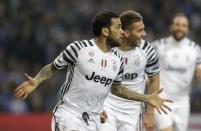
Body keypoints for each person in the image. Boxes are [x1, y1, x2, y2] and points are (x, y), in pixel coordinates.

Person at [14, 11, 172, 131]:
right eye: (118, 28)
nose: (122, 32)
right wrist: (37, 80)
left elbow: (117, 89)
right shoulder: (78, 49)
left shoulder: (117, 59)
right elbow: (53, 67)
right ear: (105, 31)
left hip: (94, 119)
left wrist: (146, 98)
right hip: (69, 114)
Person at [100, 10, 160, 131]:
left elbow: (154, 79)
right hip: (107, 106)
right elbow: (95, 80)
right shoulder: (105, 49)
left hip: (133, 111)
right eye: (139, 31)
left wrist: (149, 114)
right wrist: (96, 107)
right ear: (126, 33)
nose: (144, 34)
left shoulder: (147, 50)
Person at [152, 13, 201, 131]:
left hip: (183, 101)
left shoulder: (195, 49)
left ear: (188, 29)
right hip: (162, 99)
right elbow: (146, 70)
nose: (180, 28)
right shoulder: (158, 46)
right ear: (171, 27)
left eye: (184, 25)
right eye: (177, 24)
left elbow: (199, 71)